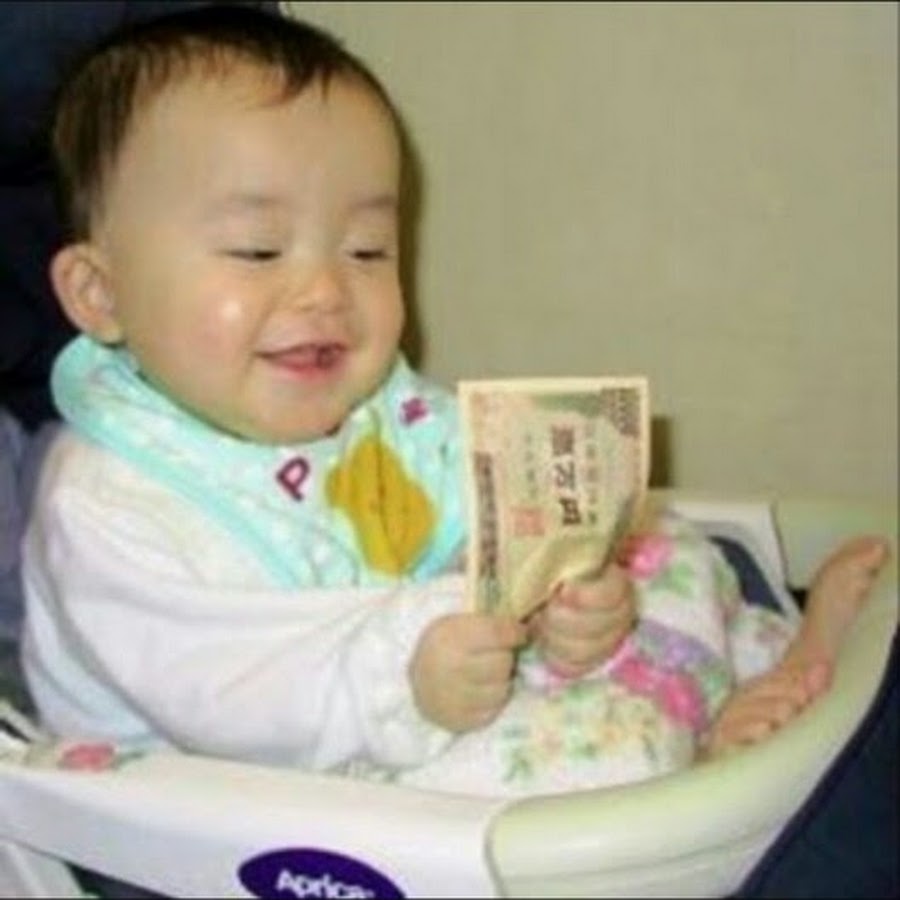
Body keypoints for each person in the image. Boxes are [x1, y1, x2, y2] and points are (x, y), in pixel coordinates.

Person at [19, 5, 888, 798]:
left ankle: (784, 666)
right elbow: (227, 696)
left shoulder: (370, 409)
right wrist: (407, 672)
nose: (325, 290)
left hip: (435, 660)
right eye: (257, 251)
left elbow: (478, 526)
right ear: (101, 294)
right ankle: (703, 757)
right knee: (568, 765)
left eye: (367, 249)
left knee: (660, 547)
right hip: (251, 778)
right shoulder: (106, 503)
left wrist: (564, 598)